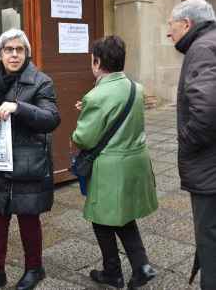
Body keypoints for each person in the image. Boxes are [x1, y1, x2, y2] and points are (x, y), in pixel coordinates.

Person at [0, 29, 60, 290]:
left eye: (19, 50)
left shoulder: (41, 81)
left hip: (27, 163)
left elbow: (52, 118)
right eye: (9, 49)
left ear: (26, 53)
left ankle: (35, 268)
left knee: (28, 220)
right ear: (0, 53)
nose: (14, 54)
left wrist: (19, 108)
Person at [71, 36, 158, 290]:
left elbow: (84, 137)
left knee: (102, 219)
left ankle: (113, 273)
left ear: (97, 62)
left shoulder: (96, 95)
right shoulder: (136, 87)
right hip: (136, 160)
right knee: (123, 215)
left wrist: (80, 122)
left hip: (111, 167)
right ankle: (142, 266)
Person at [167, 0, 216, 290]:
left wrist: (185, 139)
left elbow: (207, 109)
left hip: (209, 168)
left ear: (187, 24)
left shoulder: (202, 49)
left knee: (209, 236)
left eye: (171, 26)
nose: (168, 33)